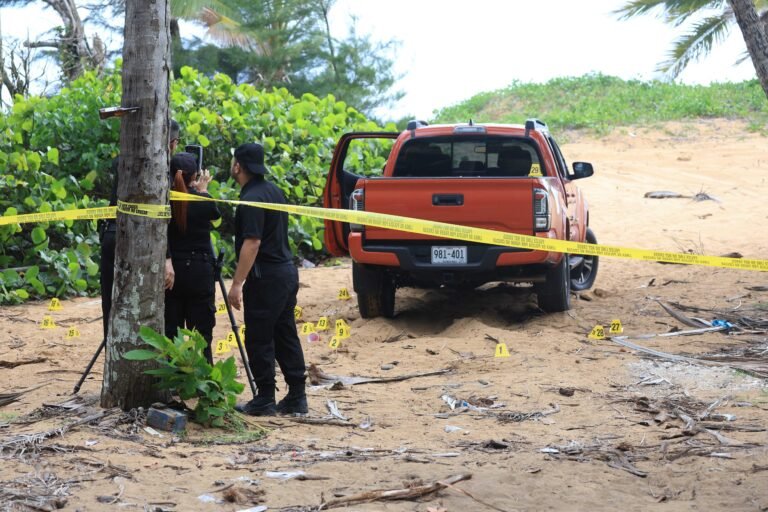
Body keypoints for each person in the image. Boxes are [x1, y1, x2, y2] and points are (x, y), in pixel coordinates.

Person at [227, 142, 307, 416]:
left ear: (239, 166)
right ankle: (297, 395)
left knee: (260, 337)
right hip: (286, 272)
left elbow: (252, 243)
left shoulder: (251, 197)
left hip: (267, 276)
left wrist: (237, 283)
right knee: (285, 334)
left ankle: (264, 397)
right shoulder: (273, 190)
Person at [100, 120, 180, 340]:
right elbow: (160, 218)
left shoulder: (121, 160)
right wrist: (167, 258)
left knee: (111, 302)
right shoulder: (160, 167)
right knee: (145, 300)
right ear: (172, 143)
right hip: (139, 237)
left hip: (111, 231)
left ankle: (112, 353)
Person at [164, 153, 220, 363]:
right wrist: (203, 190)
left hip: (174, 273)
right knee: (202, 333)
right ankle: (203, 380)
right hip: (200, 271)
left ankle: (175, 378)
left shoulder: (165, 200)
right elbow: (215, 213)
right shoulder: (202, 200)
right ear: (194, 176)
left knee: (172, 332)